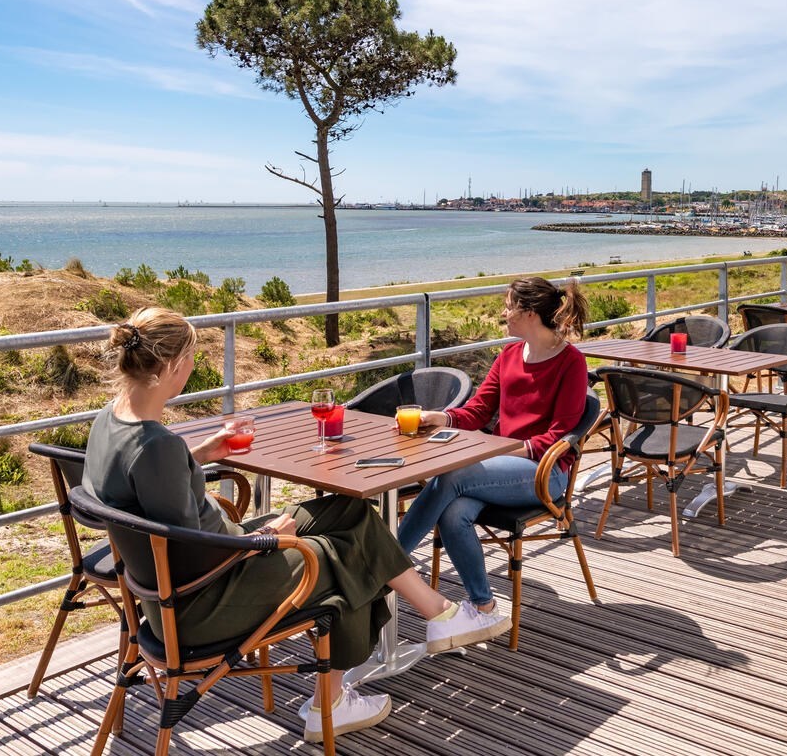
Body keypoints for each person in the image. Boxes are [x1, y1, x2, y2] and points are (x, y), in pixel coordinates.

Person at [83, 309, 508, 743]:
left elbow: (149, 492)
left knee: (351, 513)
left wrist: (198, 456)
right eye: (191, 358)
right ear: (173, 365)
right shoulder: (157, 448)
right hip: (202, 600)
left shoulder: (111, 422)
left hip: (181, 583)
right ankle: (331, 703)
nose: (192, 367)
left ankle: (440, 615)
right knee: (345, 557)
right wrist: (266, 540)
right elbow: (192, 551)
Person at [398, 276, 589, 628]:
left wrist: (501, 451)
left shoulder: (571, 362)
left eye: (509, 306)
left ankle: (388, 563)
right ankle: (484, 607)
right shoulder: (509, 356)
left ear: (529, 313)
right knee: (453, 513)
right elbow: (479, 410)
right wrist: (441, 417)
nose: (504, 313)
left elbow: (558, 435)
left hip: (545, 473)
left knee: (453, 473)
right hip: (499, 467)